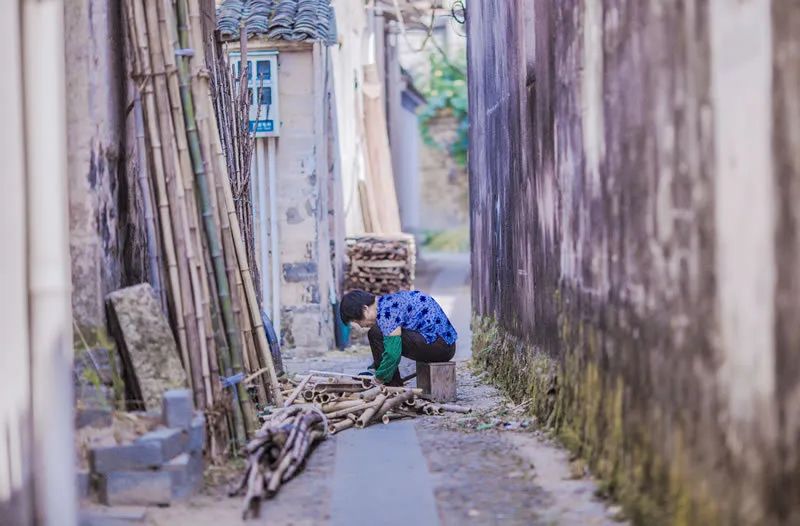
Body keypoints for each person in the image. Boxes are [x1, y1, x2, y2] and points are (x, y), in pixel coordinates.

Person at [339, 289, 457, 386]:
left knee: (375, 332)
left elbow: (392, 354)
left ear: (365, 309)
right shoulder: (387, 302)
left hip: (441, 348)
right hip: (442, 344)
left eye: (358, 321)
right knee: (378, 332)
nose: (361, 326)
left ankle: (392, 386)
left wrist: (380, 378)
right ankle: (380, 371)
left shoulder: (387, 312)